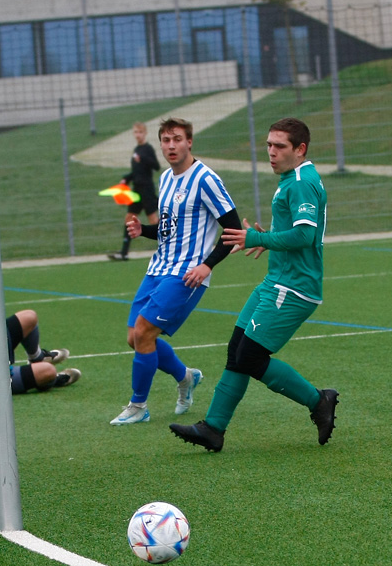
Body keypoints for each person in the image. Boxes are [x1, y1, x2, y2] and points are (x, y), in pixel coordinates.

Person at [169, 118, 338, 452]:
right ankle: (213, 429)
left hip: (294, 287)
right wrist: (268, 239)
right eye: (268, 145)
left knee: (250, 356)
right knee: (237, 349)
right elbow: (295, 230)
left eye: (280, 147)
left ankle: (318, 400)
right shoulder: (292, 178)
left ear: (300, 149)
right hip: (277, 280)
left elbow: (305, 235)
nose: (271, 153)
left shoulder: (302, 181)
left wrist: (258, 236)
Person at [110, 117, 242, 425]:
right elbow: (167, 230)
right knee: (135, 337)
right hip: (158, 267)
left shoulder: (205, 179)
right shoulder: (168, 179)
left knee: (143, 331)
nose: (171, 145)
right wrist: (142, 229)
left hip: (186, 274)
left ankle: (138, 407)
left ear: (189, 142)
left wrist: (206, 266)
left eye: (177, 139)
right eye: (166, 140)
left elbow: (233, 228)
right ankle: (185, 376)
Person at [108, 122, 160, 261]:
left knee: (154, 220)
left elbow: (156, 166)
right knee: (129, 219)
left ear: (145, 133)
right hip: (136, 191)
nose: (137, 135)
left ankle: (167, 248)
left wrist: (142, 159)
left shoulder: (147, 149)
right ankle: (124, 253)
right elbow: (137, 172)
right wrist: (126, 178)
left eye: (140, 132)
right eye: (135, 132)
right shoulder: (136, 149)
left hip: (147, 190)